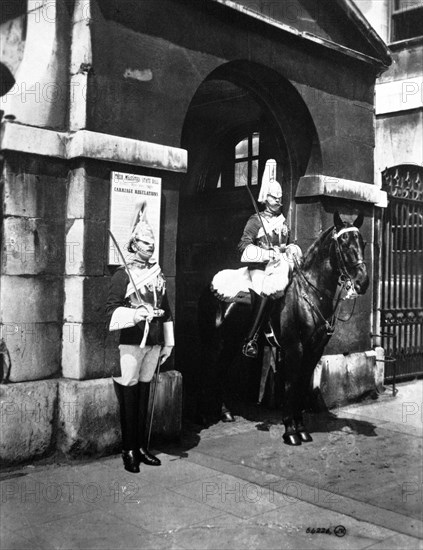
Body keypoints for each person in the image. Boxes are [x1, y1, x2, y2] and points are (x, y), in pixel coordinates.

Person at [106, 201, 174, 473]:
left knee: (145, 393)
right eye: (145, 243)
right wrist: (135, 314)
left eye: (152, 243)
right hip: (131, 340)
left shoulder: (158, 274)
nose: (150, 247)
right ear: (134, 245)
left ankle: (143, 446)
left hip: (154, 340)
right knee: (130, 393)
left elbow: (167, 310)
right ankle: (129, 449)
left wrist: (168, 341)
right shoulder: (123, 275)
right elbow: (110, 311)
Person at [238, 159, 290, 359]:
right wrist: (267, 253)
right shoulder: (255, 220)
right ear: (265, 198)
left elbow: (288, 241)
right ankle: (250, 339)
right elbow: (243, 246)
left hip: (280, 266)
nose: (278, 201)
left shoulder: (283, 221)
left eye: (280, 198)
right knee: (265, 291)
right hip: (259, 267)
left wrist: (291, 248)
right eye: (274, 197)